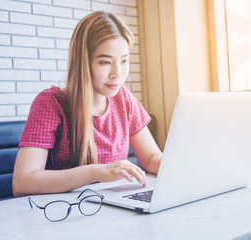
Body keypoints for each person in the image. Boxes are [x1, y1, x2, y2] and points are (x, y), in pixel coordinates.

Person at [12, 11, 162, 197]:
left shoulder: (123, 98)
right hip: (63, 215)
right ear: (83, 62)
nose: (117, 73)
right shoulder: (51, 103)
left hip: (113, 207)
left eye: (124, 61)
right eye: (105, 62)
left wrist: (189, 162)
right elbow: (23, 182)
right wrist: (96, 172)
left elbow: (151, 158)